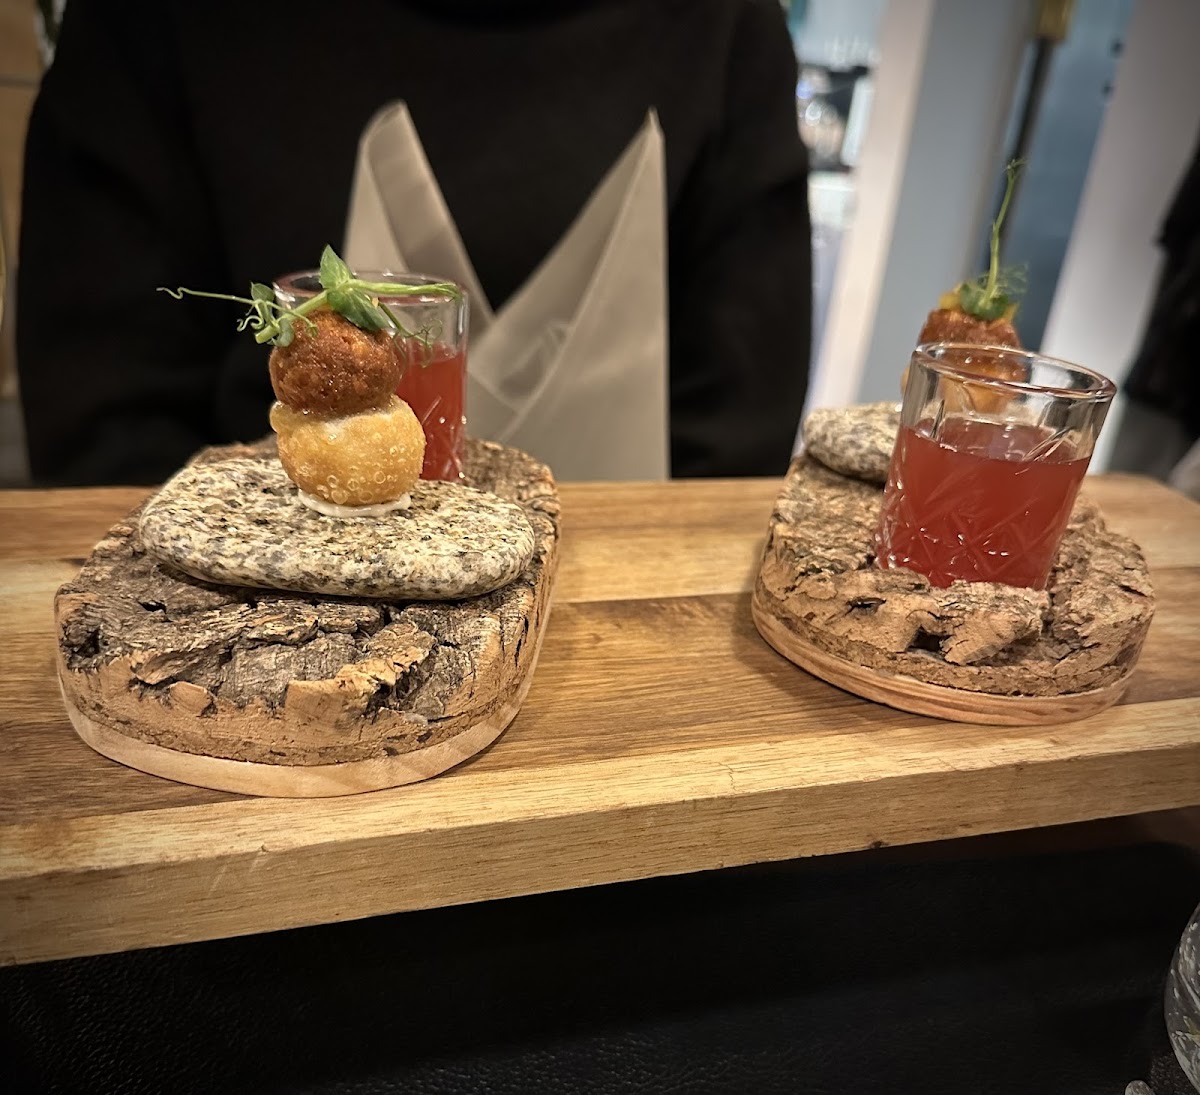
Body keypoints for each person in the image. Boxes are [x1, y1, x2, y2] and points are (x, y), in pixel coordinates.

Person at [16, 0, 812, 485]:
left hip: (630, 603)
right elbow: (100, 411)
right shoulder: (152, 22)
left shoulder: (726, 29)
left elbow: (741, 425)